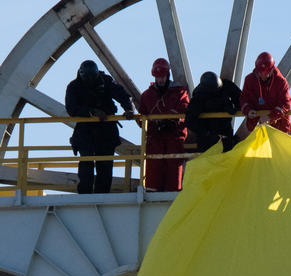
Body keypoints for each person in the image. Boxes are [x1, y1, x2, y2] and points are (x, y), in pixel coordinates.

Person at [65, 59, 136, 194]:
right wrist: (92, 111)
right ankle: (86, 194)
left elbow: (122, 95)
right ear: (82, 75)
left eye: (93, 78)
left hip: (104, 131)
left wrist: (129, 109)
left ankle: (100, 194)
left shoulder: (105, 82)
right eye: (88, 78)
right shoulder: (74, 87)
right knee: (88, 164)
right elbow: (71, 108)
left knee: (104, 165)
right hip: (86, 132)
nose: (90, 81)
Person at [138, 58, 190, 192]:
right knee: (154, 165)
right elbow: (141, 117)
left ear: (168, 75)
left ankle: (173, 190)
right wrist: (154, 123)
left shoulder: (179, 93)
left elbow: (185, 111)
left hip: (174, 136)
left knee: (174, 163)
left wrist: (172, 121)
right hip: (155, 137)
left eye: (162, 77)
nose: (160, 80)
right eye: (157, 77)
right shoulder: (147, 96)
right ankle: (152, 190)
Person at [186, 71, 242, 152]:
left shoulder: (227, 86)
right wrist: (206, 133)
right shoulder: (199, 96)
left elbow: (242, 100)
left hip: (225, 131)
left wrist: (234, 107)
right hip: (207, 137)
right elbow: (190, 119)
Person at [240, 51, 291, 134]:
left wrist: (270, 117)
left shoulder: (281, 82)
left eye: (266, 73)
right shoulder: (249, 80)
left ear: (272, 70)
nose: (263, 76)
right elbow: (244, 99)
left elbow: (285, 104)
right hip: (256, 129)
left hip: (279, 129)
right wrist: (248, 110)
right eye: (260, 73)